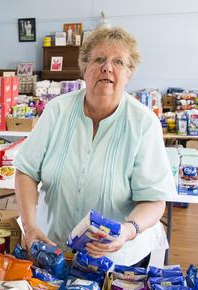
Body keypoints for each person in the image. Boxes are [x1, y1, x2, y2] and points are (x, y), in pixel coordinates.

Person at [13, 26, 176, 267]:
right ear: (85, 68)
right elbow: (26, 170)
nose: (107, 67)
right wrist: (29, 226)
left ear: (129, 72)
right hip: (53, 248)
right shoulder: (57, 110)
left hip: (117, 259)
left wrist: (127, 231)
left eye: (118, 62)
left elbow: (155, 200)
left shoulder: (143, 123)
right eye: (99, 59)